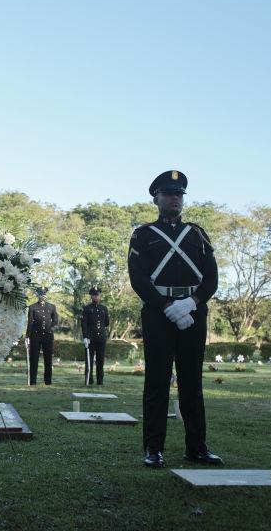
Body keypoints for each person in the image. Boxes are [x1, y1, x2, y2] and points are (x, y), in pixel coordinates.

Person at [128, 170, 221, 469]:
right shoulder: (143, 234)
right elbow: (138, 278)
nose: (174, 199)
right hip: (158, 313)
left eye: (179, 194)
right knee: (157, 380)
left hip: (194, 311)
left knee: (192, 381)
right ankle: (153, 448)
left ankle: (197, 447)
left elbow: (212, 278)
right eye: (168, 194)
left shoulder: (197, 234)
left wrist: (191, 303)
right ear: (156, 199)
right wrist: (167, 306)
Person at [26, 286, 58, 385]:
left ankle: (48, 381)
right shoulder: (32, 307)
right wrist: (27, 336)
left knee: (48, 359)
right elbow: (30, 322)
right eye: (40, 294)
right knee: (34, 359)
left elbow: (55, 320)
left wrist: (50, 327)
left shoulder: (51, 306)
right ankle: (33, 381)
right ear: (38, 295)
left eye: (44, 294)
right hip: (35, 336)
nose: (42, 296)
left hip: (48, 336)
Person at [81, 285, 110, 385]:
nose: (96, 297)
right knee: (89, 360)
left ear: (99, 296)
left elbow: (106, 322)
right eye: (94, 295)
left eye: (97, 295)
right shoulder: (86, 308)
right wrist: (85, 337)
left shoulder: (104, 308)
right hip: (90, 338)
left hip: (101, 338)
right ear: (91, 296)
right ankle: (89, 380)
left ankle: (100, 381)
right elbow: (84, 324)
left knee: (100, 360)